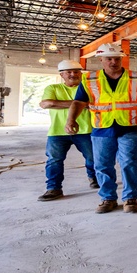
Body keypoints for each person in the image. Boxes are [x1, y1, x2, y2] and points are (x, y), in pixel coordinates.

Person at [66, 42, 137, 214]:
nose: (113, 62)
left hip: (130, 127)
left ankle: (130, 198)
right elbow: (79, 102)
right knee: (102, 165)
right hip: (102, 128)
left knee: (129, 162)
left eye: (116, 58)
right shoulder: (90, 79)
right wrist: (71, 120)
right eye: (109, 59)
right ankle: (108, 198)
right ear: (101, 59)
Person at [37, 59, 97, 201]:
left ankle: (94, 178)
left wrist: (57, 104)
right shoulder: (53, 88)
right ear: (61, 75)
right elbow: (46, 103)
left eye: (76, 71)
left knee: (93, 157)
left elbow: (92, 104)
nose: (73, 74)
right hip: (58, 132)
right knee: (54, 160)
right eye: (68, 72)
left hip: (85, 130)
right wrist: (80, 104)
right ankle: (54, 188)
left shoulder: (87, 88)